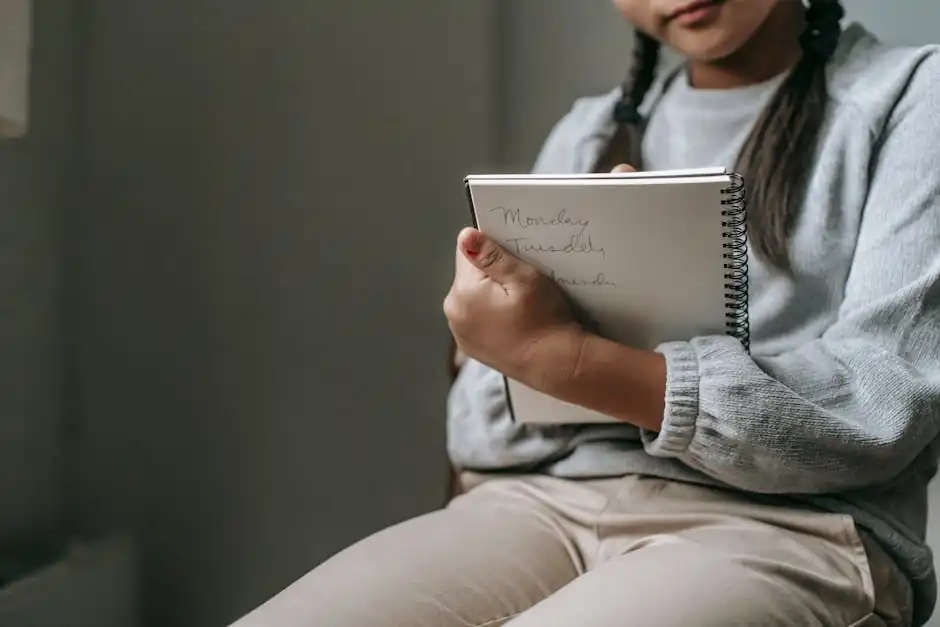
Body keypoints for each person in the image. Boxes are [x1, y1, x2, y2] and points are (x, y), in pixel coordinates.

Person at [232, 1, 940, 625]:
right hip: (542, 506)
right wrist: (509, 349)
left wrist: (566, 360)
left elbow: (882, 406)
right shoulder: (588, 133)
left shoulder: (910, 97)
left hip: (792, 531)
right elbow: (485, 436)